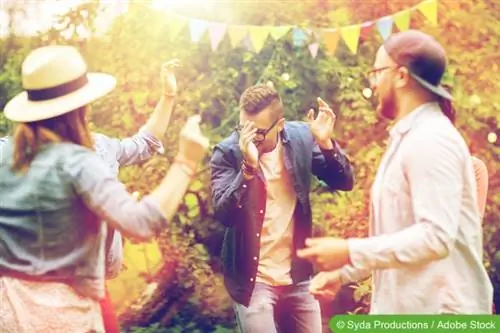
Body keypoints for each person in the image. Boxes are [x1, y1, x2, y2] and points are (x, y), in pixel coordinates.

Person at [0, 45, 209, 333]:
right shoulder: (80, 162)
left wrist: (168, 96)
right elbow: (141, 223)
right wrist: (186, 161)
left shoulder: (6, 155)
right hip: (64, 315)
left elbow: (144, 142)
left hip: (9, 311)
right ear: (82, 107)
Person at [297, 30, 493, 314]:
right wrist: (344, 272)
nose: (374, 83)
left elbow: (436, 237)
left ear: (401, 76)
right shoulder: (408, 138)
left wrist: (349, 250)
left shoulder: (432, 139)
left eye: (377, 72)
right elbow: (399, 237)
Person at [210, 84, 354, 332]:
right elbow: (224, 214)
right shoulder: (228, 152)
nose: (248, 138)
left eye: (258, 132)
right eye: (243, 128)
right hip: (252, 281)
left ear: (280, 125)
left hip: (297, 275)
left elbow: (343, 181)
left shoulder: (299, 139)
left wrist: (326, 143)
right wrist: (248, 170)